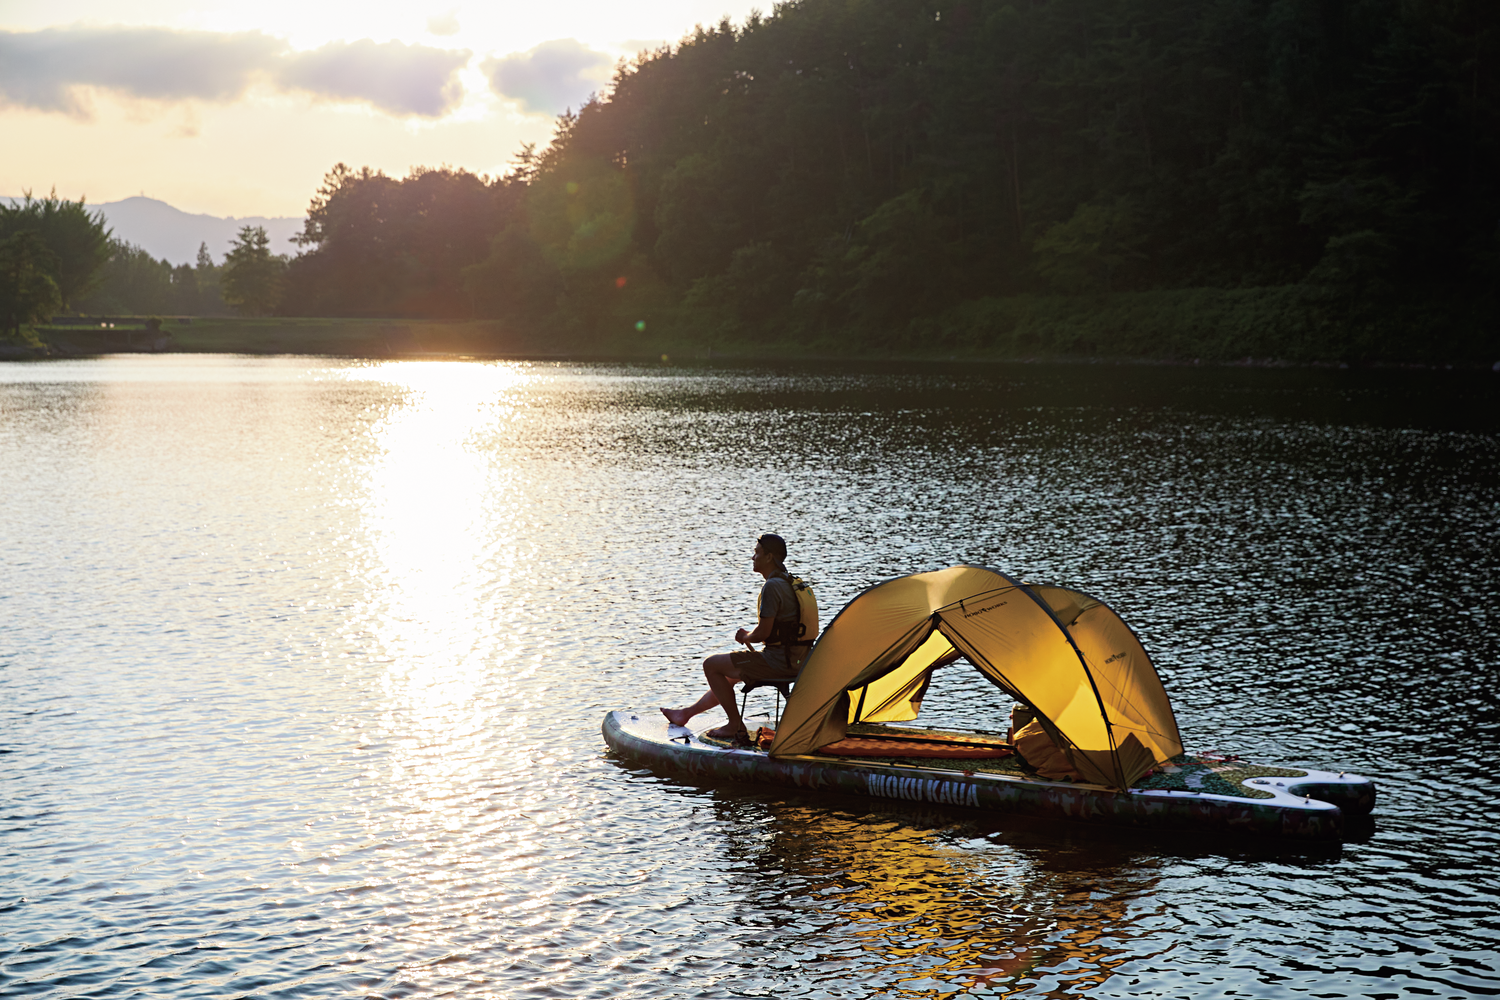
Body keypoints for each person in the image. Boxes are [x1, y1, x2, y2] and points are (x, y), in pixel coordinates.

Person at [661, 533, 805, 742]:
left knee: (711, 665)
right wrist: (754, 636)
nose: (752, 557)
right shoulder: (790, 582)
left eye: (757, 553)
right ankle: (685, 714)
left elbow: (763, 633)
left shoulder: (772, 586)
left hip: (778, 663)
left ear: (769, 557)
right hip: (797, 660)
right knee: (728, 676)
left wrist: (747, 635)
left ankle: (735, 725)